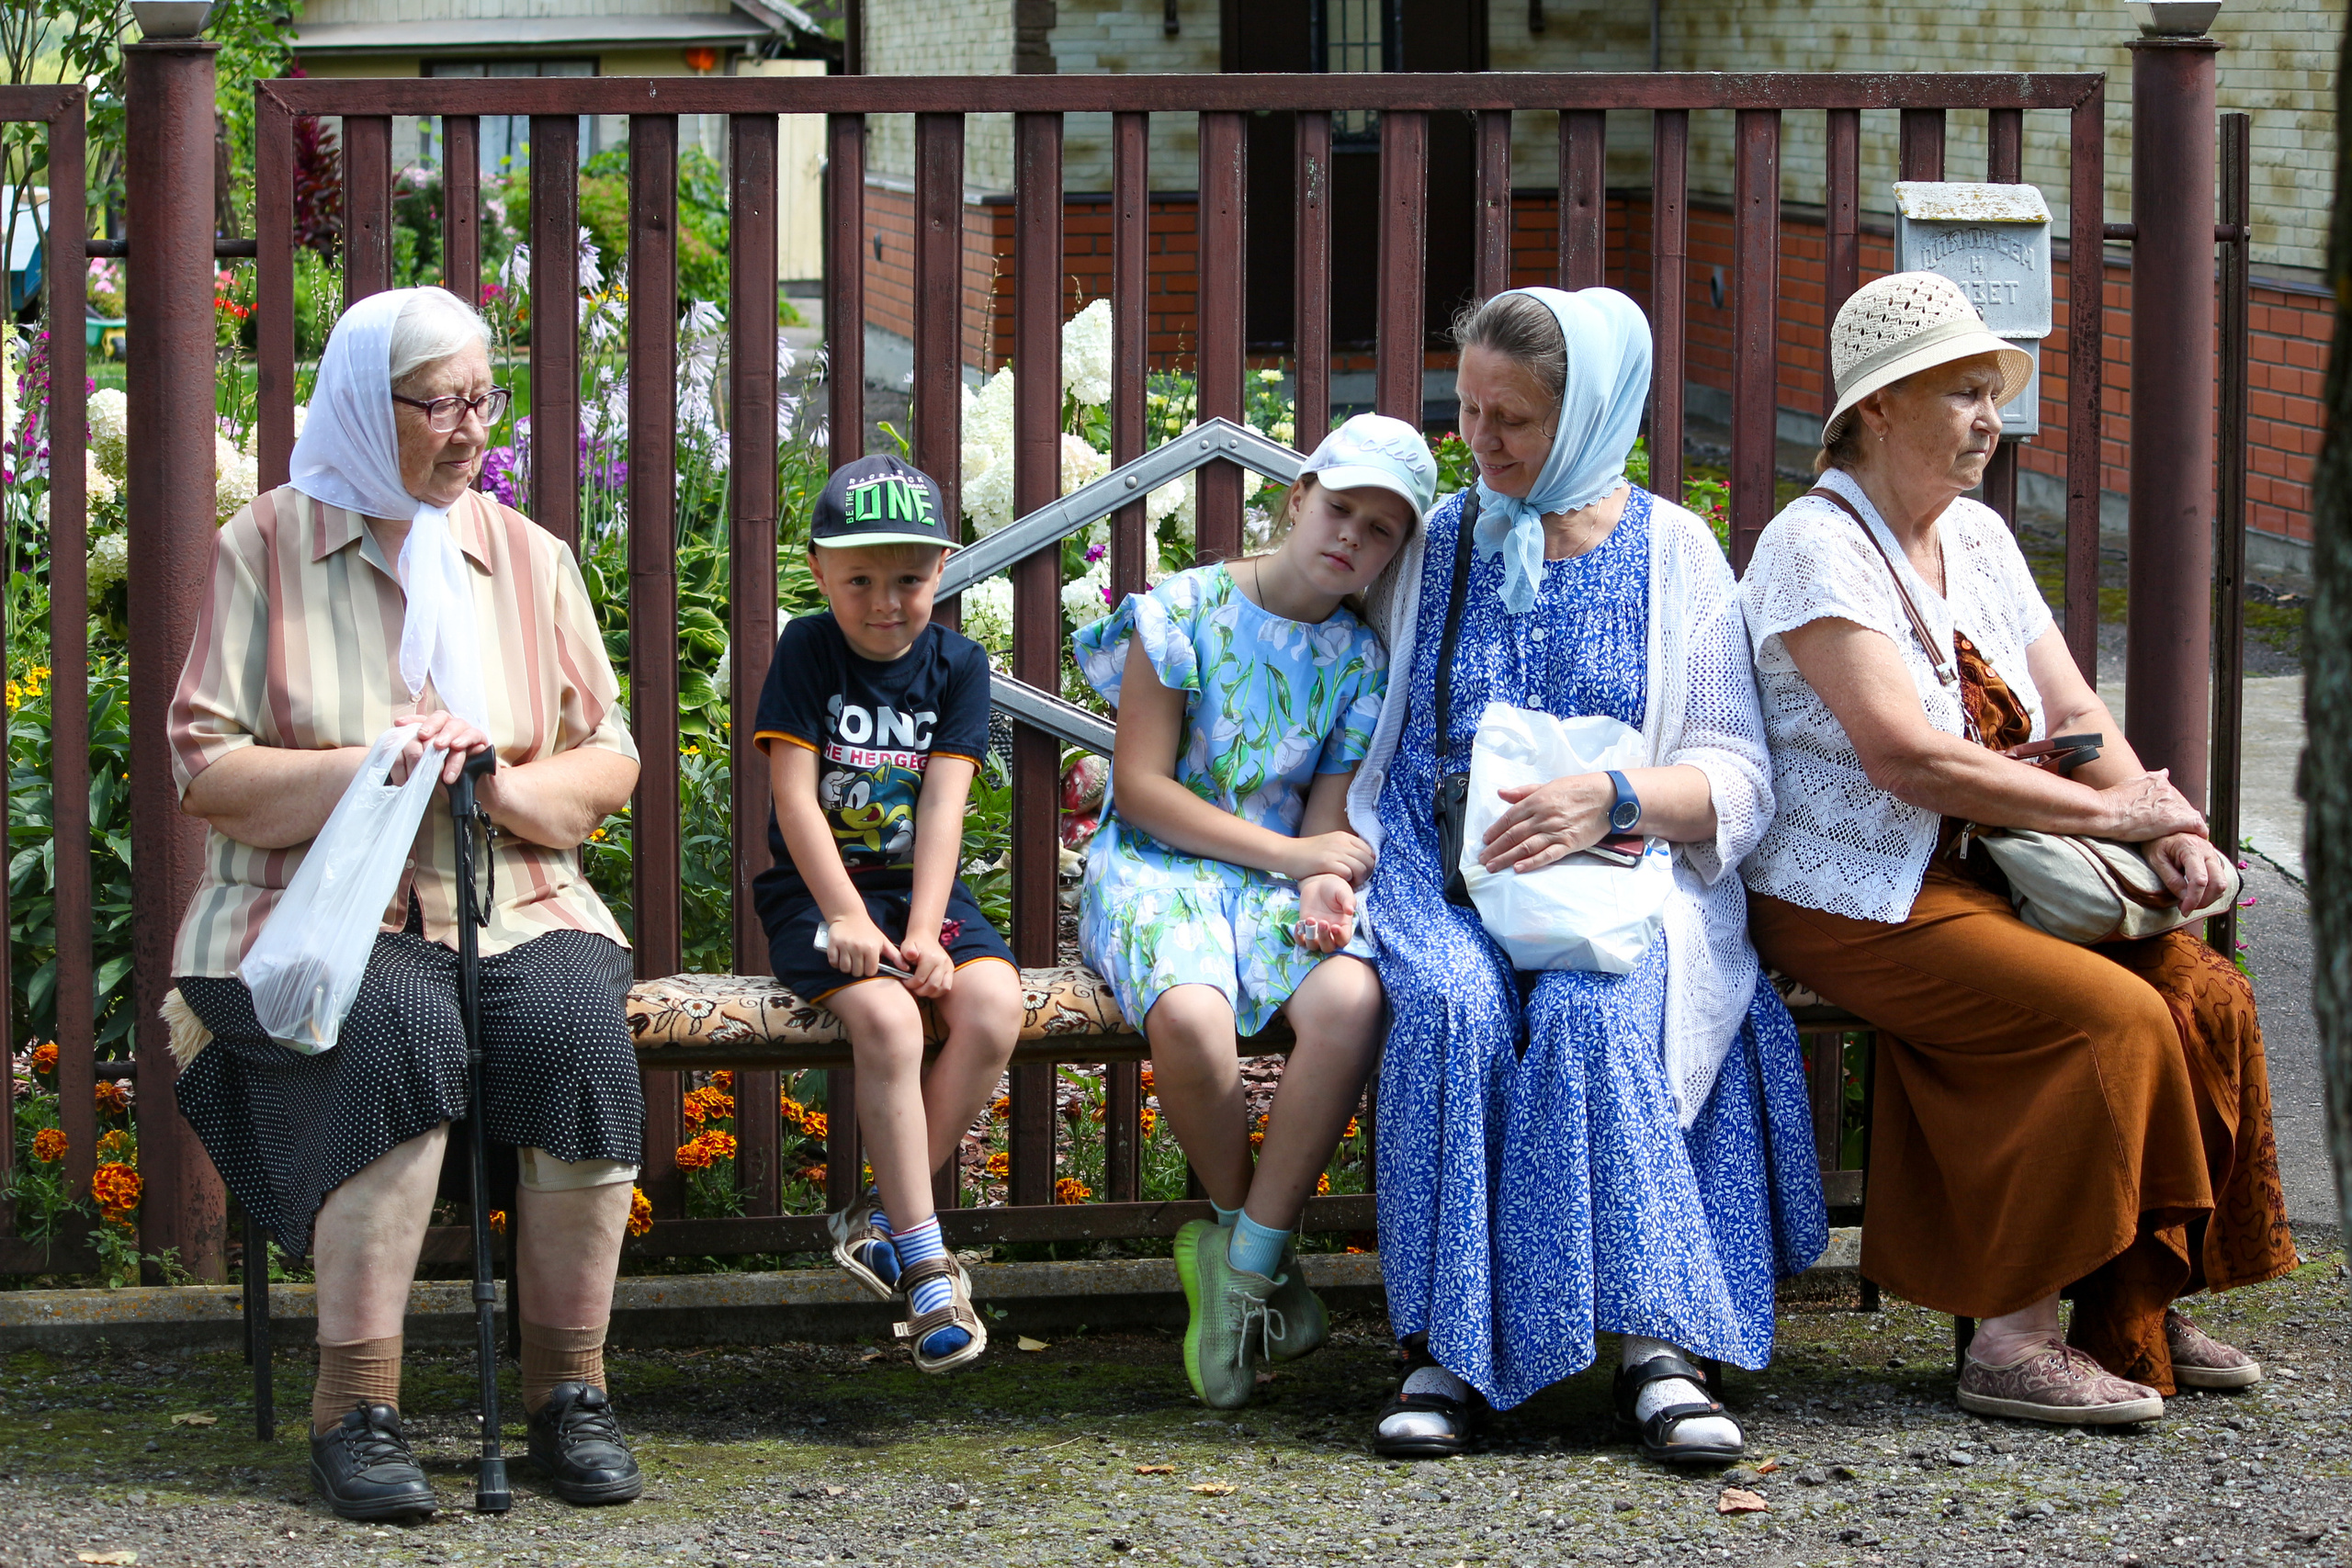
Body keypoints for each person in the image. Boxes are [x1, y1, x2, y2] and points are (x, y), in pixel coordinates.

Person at [1740, 271, 2295, 1424]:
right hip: (1854, 889)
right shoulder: (1811, 546)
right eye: (1962, 393)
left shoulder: (1980, 536)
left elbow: (2073, 712)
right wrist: (2108, 820)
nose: (1989, 419)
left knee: (2204, 992)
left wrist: (2162, 819)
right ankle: (2010, 1343)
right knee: (2106, 1016)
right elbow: (1906, 759)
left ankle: (2132, 1299)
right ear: (1877, 406)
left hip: (1995, 872)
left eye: (1993, 395)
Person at [165, 287, 647, 1519]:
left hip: (515, 897)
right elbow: (206, 769)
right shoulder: (267, 544)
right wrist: (374, 766)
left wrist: (499, 778)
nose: (470, 428)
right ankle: (357, 1409)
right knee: (393, 1028)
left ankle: (570, 1394)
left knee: (574, 1032)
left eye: (483, 399)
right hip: (308, 914)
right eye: (439, 404)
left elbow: (610, 759)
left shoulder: (528, 557)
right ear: (362, 407)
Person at [1354, 287, 1827, 1463]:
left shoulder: (1675, 552)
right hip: (1444, 868)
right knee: (1451, 1006)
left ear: (1588, 417)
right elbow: (1375, 728)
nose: (1478, 441)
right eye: (1467, 410)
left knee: (1590, 1011)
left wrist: (1610, 799)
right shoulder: (1442, 540)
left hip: (1626, 873)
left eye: (1510, 419)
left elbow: (1736, 776)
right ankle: (1443, 1349)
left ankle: (1657, 1350)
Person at [1073, 414, 1426, 1409]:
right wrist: (1293, 858)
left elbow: (1324, 824)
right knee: (1192, 1015)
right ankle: (1254, 1252)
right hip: (1154, 868)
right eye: (1339, 508)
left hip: (1269, 881)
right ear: (1298, 496)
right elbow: (1142, 790)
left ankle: (1242, 1269)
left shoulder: (1359, 661)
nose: (1351, 536)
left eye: (1381, 530)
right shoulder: (1180, 612)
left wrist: (1321, 884)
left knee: (1352, 1001)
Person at [752, 455, 1022, 1372]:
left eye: (908, 578)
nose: (884, 601)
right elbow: (794, 799)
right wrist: (846, 916)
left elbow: (943, 805)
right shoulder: (806, 650)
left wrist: (922, 932)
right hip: (818, 892)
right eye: (859, 579)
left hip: (916, 891)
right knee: (891, 1021)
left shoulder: (959, 665)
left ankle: (877, 1214)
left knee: (994, 1006)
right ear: (819, 571)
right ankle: (927, 1266)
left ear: (941, 569)